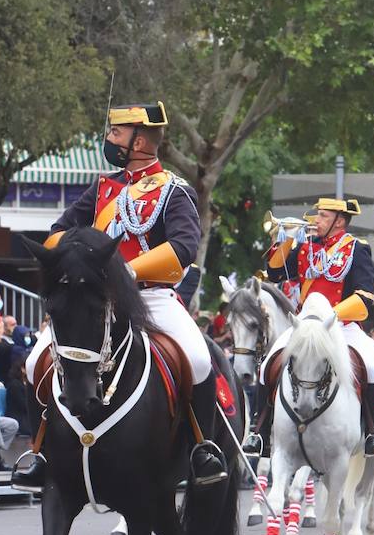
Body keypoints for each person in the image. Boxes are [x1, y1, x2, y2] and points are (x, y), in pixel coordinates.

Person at [15, 100, 227, 490]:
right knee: (33, 363)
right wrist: (77, 259)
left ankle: (203, 448)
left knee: (198, 359)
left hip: (152, 295)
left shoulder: (174, 191)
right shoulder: (103, 188)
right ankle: (40, 450)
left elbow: (183, 247)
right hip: (97, 299)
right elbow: (58, 230)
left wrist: (129, 271)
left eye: (116, 133)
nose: (109, 139)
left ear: (140, 140)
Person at [260, 194, 374, 456]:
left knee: (372, 367)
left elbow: (365, 296)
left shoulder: (357, 248)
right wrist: (287, 239)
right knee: (267, 364)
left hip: (341, 324)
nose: (316, 220)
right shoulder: (306, 246)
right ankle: (260, 431)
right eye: (318, 215)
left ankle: (372, 432)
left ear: (340, 221)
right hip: (305, 325)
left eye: (323, 216)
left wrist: (330, 316)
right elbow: (274, 273)